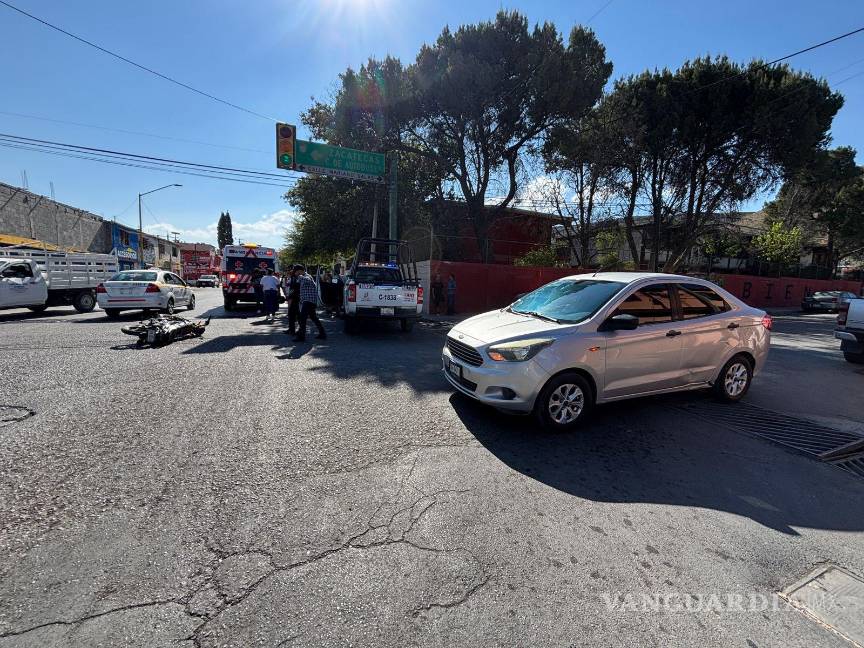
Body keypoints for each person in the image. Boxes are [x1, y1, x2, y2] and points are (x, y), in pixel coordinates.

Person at [294, 264, 326, 341]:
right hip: (308, 301)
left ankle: (301, 336)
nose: (295, 273)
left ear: (299, 270)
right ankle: (322, 333)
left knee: (303, 318)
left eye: (296, 271)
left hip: (309, 301)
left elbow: (307, 280)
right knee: (313, 317)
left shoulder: (307, 276)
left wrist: (300, 276)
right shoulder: (303, 277)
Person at [283, 266, 300, 335]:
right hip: (295, 298)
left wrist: (290, 298)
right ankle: (291, 329)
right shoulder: (294, 277)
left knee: (294, 315)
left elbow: (292, 289)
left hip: (295, 299)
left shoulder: (294, 278)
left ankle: (293, 330)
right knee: (292, 315)